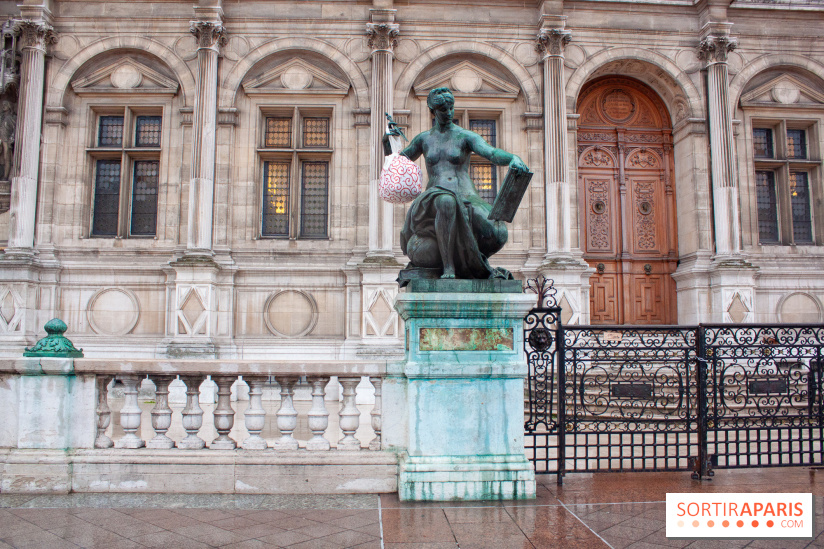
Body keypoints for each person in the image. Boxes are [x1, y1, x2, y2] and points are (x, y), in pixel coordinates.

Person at [389, 87, 529, 283]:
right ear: (433, 111)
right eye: (442, 109)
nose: (448, 113)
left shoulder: (465, 136)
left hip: (466, 195)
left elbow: (491, 153)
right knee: (446, 201)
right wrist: (390, 141)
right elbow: (398, 162)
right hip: (436, 195)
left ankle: (472, 262)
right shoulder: (424, 139)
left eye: (450, 108)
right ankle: (448, 266)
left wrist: (512, 158)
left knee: (497, 232)